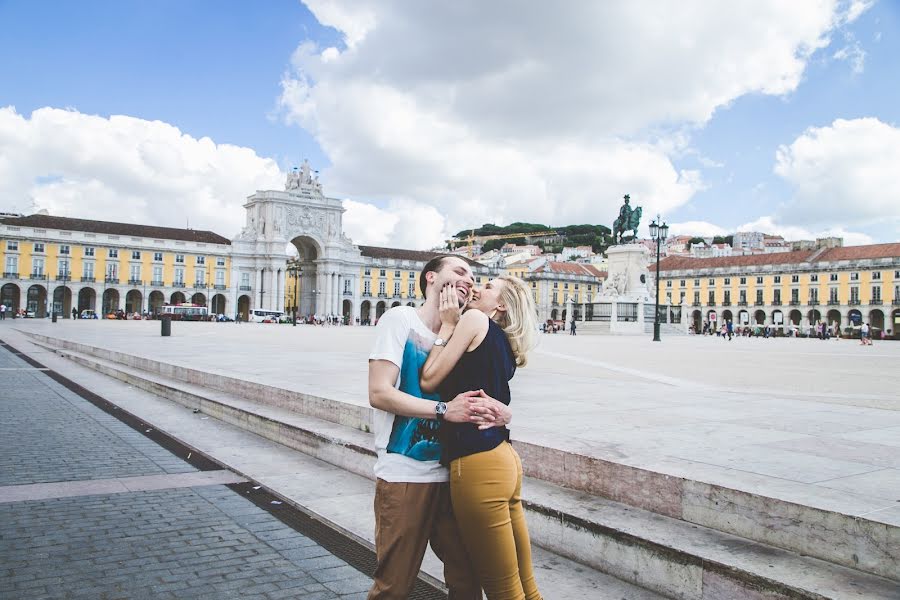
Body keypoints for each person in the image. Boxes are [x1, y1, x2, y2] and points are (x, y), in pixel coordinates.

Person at [367, 255, 511, 600]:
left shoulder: (460, 333)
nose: (470, 281)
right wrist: (444, 410)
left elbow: (484, 391)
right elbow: (379, 392)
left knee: (466, 581)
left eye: (474, 277)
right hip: (405, 474)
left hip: (453, 474)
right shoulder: (400, 319)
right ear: (431, 277)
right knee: (394, 585)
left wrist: (504, 413)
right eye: (460, 271)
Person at [419, 276, 542, 600]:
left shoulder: (473, 320)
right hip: (503, 460)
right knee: (526, 588)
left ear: (500, 305)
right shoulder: (503, 342)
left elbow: (429, 379)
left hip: (477, 465)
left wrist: (447, 325)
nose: (476, 289)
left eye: (487, 287)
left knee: (504, 591)